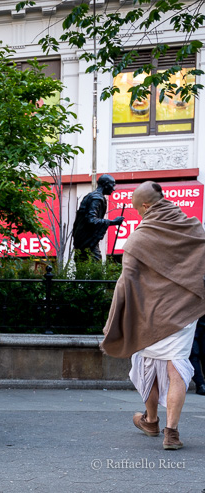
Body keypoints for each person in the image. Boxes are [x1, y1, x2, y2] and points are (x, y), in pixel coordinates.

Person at [102, 181, 205, 450]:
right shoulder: (192, 226)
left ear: (146, 206)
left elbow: (128, 280)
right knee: (177, 367)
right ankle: (171, 433)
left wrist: (116, 319)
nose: (137, 214)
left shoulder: (139, 238)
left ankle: (151, 420)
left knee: (146, 365)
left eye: (138, 210)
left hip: (151, 315)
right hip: (184, 313)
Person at [73, 174, 124, 263]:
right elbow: (91, 220)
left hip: (85, 239)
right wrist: (113, 222)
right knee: (96, 264)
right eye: (112, 185)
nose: (113, 189)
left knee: (85, 264)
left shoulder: (93, 196)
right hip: (86, 240)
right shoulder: (96, 198)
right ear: (106, 184)